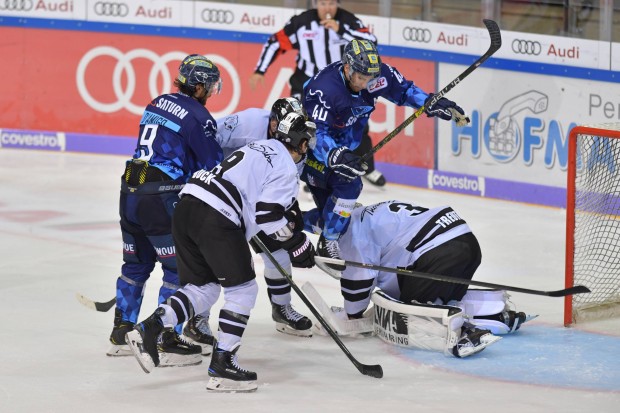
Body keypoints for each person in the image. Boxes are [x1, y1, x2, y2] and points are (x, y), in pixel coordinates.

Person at [125, 112, 317, 393]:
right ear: (300, 144)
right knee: (243, 291)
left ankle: (149, 328)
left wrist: (291, 228)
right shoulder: (287, 167)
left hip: (188, 207)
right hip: (217, 216)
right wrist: (297, 243)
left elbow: (262, 202)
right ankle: (223, 364)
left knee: (204, 288)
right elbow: (267, 215)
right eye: (307, 142)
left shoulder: (256, 147)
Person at [302, 39, 471, 266]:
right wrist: (335, 154)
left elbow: (404, 91)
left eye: (369, 78)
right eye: (360, 78)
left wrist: (430, 102)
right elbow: (316, 135)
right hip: (312, 154)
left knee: (339, 216)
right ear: (347, 67)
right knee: (349, 189)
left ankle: (293, 222)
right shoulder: (324, 89)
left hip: (345, 149)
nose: (365, 84)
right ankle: (327, 242)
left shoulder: (375, 74)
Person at [107, 54, 223, 367]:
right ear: (198, 86)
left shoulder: (156, 102)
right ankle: (164, 339)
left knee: (135, 267)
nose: (212, 92)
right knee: (178, 269)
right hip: (160, 200)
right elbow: (213, 167)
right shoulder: (199, 116)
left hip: (129, 191)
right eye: (210, 86)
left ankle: (121, 331)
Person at [306, 200, 532, 358]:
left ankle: (466, 333)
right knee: (440, 300)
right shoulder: (368, 215)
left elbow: (359, 283)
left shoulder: (349, 234)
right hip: (465, 242)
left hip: (437, 253)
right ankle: (495, 312)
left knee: (412, 314)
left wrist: (350, 316)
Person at [250, 0, 386, 186]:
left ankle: (367, 167)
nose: (327, 8)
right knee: (304, 127)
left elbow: (371, 41)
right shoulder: (302, 22)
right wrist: (260, 70)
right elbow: (276, 42)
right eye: (322, 3)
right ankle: (309, 171)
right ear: (315, 3)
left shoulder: (349, 21)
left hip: (342, 85)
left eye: (331, 3)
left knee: (357, 126)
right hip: (306, 83)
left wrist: (341, 30)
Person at [215, 97, 314, 337]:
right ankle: (196, 320)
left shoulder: (297, 142)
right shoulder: (248, 123)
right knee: (211, 265)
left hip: (257, 204)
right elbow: (206, 137)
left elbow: (282, 188)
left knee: (278, 252)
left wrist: (290, 217)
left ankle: (281, 307)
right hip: (222, 200)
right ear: (272, 121)